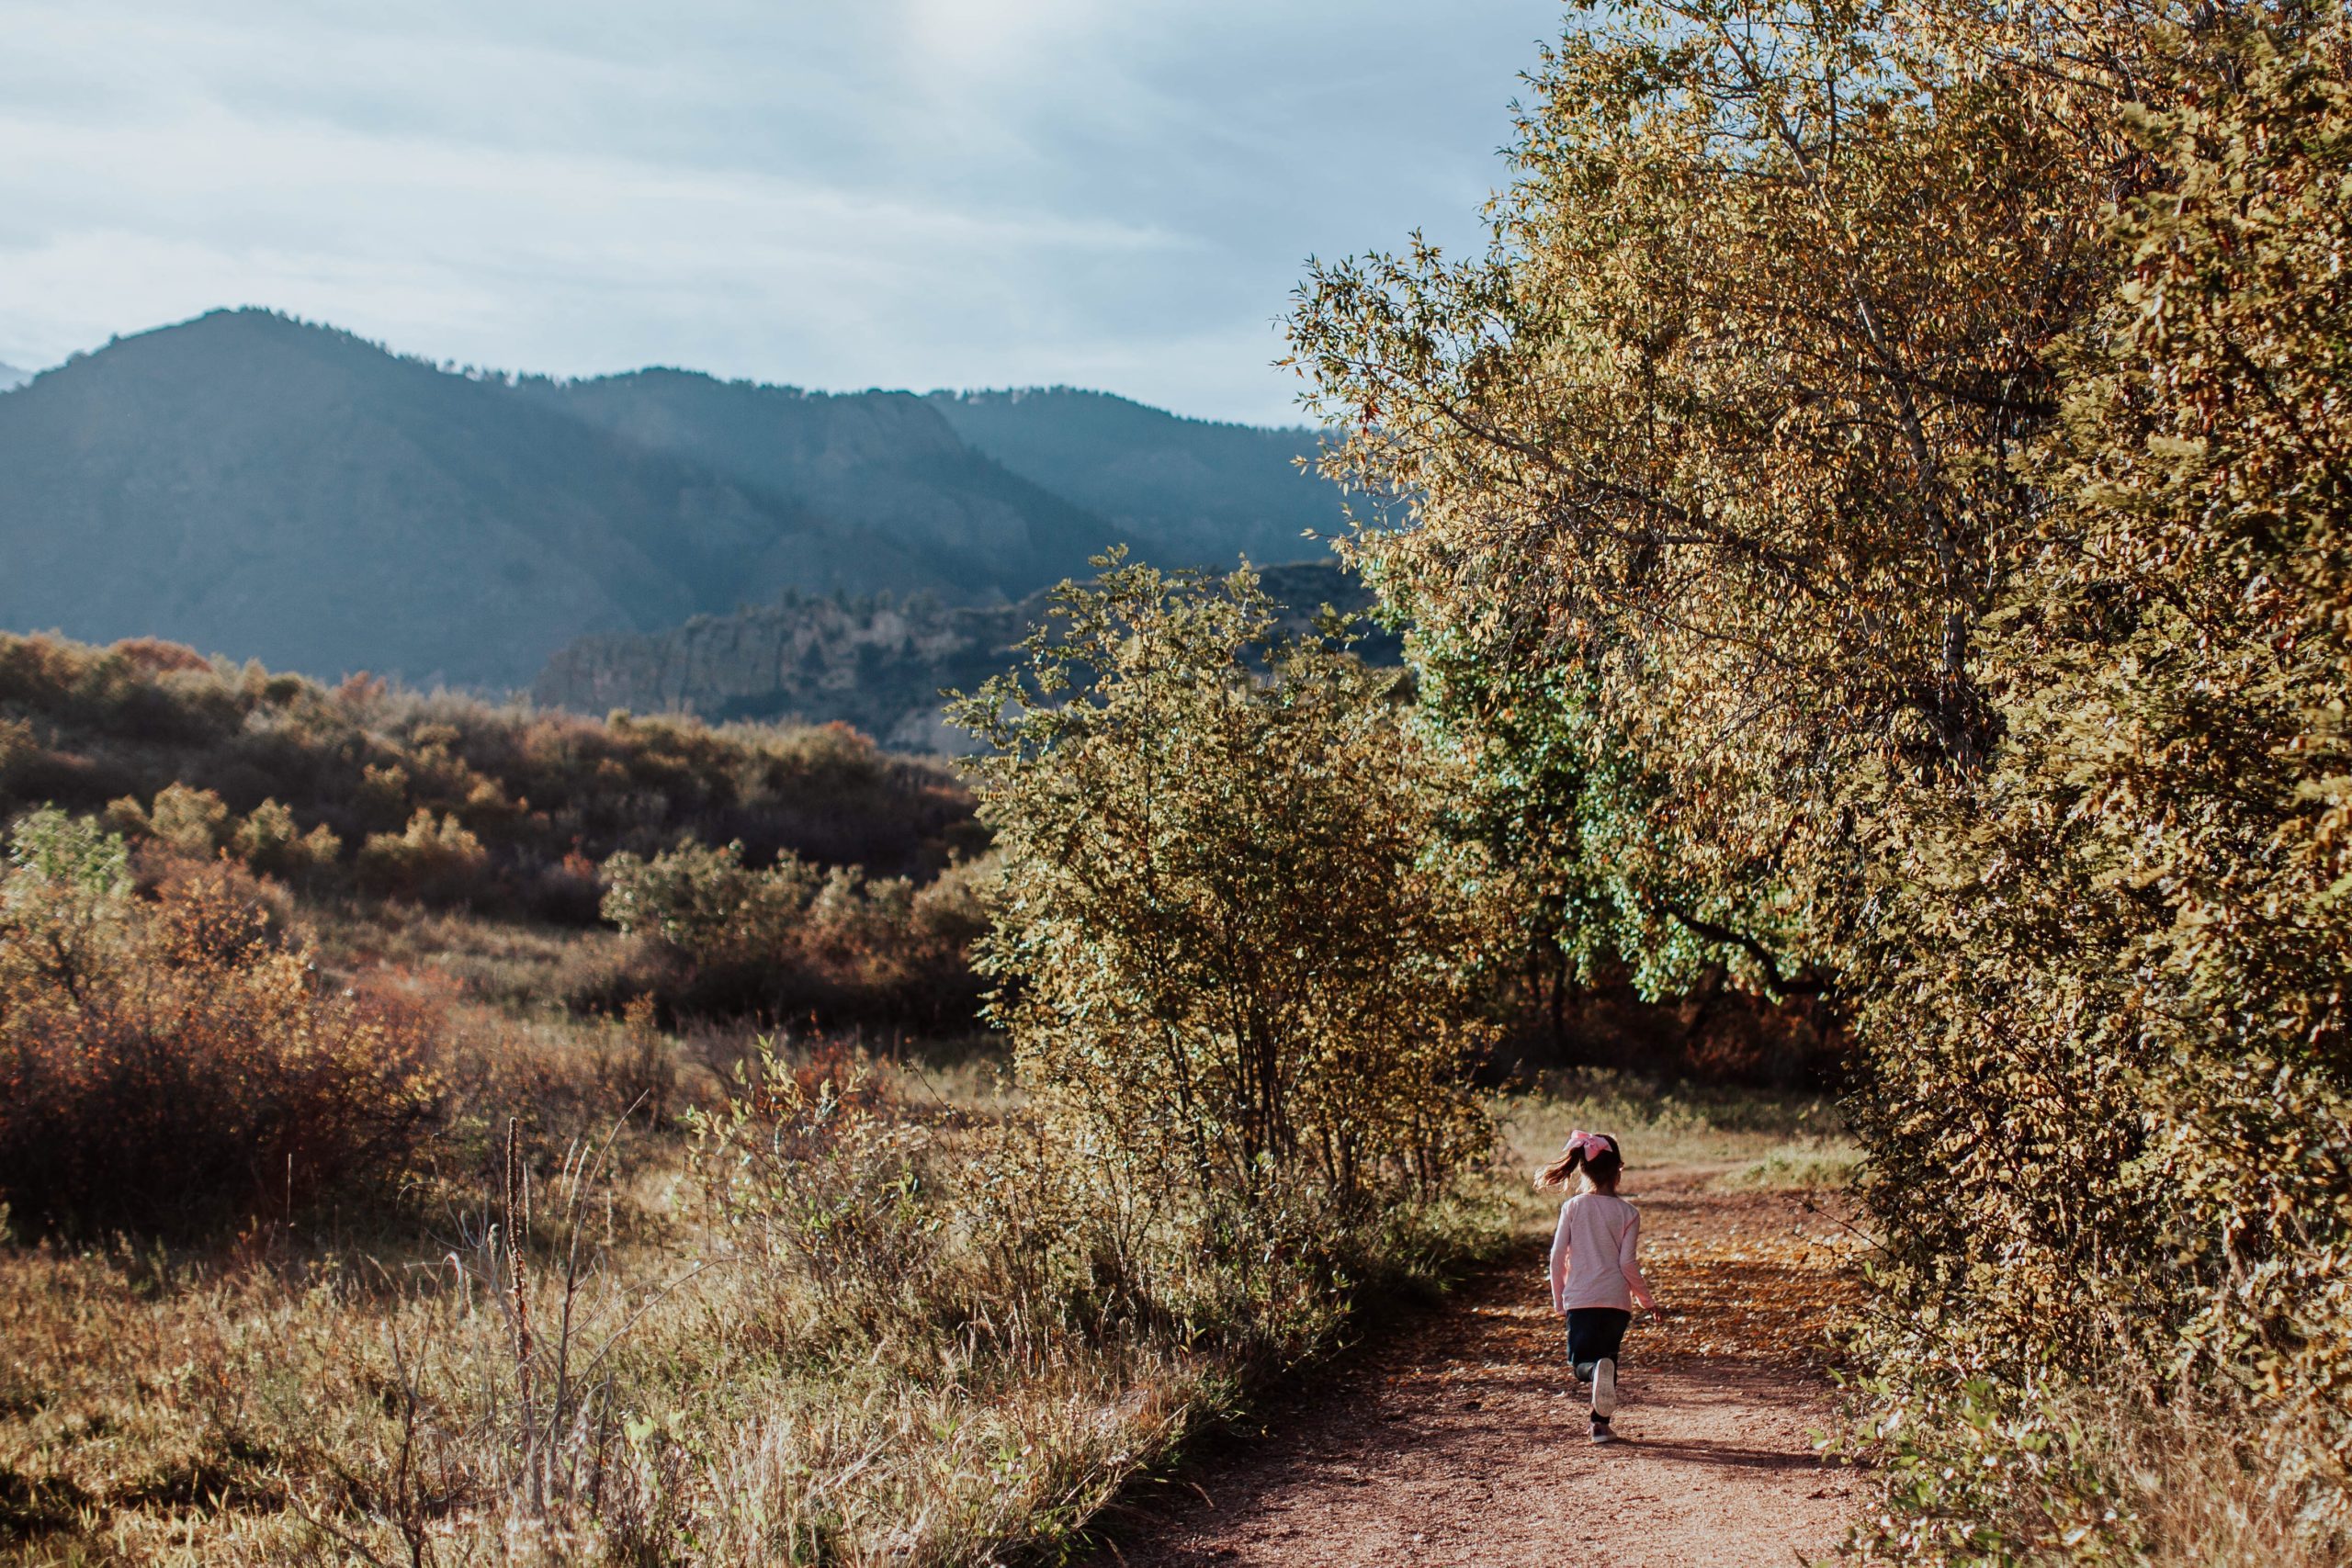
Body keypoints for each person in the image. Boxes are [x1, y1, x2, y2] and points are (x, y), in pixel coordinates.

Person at [1543, 1129, 1657, 1444]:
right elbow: (1627, 1265)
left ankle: (1593, 1375)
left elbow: (1556, 1256)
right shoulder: (1628, 1213)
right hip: (1616, 1301)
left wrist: (1558, 1299)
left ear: (1582, 1168)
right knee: (1609, 1358)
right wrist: (1647, 1301)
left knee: (1582, 1362)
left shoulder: (1573, 1207)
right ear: (1619, 1168)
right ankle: (1599, 1425)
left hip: (1581, 1298)